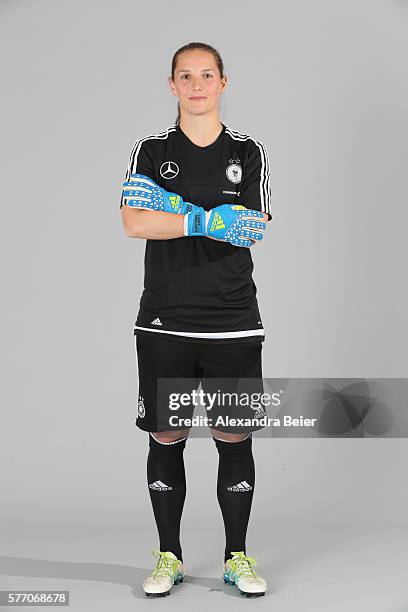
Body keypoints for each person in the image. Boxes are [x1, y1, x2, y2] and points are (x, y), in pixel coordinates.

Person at [119, 42, 272, 598]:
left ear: (223, 83)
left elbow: (252, 228)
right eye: (187, 76)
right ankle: (168, 556)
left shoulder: (249, 152)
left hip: (233, 317)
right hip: (165, 318)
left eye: (207, 74)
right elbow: (134, 223)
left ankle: (237, 557)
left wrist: (174, 211)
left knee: (234, 435)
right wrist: (208, 218)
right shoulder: (149, 150)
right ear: (173, 85)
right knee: (167, 434)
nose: (197, 84)